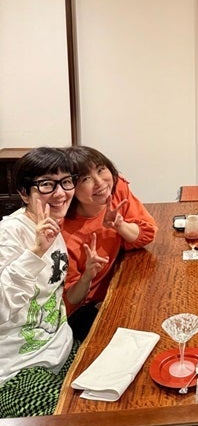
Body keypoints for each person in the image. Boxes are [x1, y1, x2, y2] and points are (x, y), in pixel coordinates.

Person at [0, 147, 79, 417]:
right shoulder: (9, 233)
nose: (60, 193)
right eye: (47, 184)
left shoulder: (51, 223)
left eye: (66, 181)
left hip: (62, 346)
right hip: (19, 369)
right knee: (71, 420)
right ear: (24, 193)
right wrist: (35, 252)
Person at [62, 146, 157, 341]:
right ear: (70, 188)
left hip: (117, 286)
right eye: (85, 179)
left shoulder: (116, 188)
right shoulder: (63, 231)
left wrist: (120, 225)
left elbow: (147, 234)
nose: (100, 182)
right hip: (84, 310)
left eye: (100, 169)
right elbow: (70, 301)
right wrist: (87, 275)